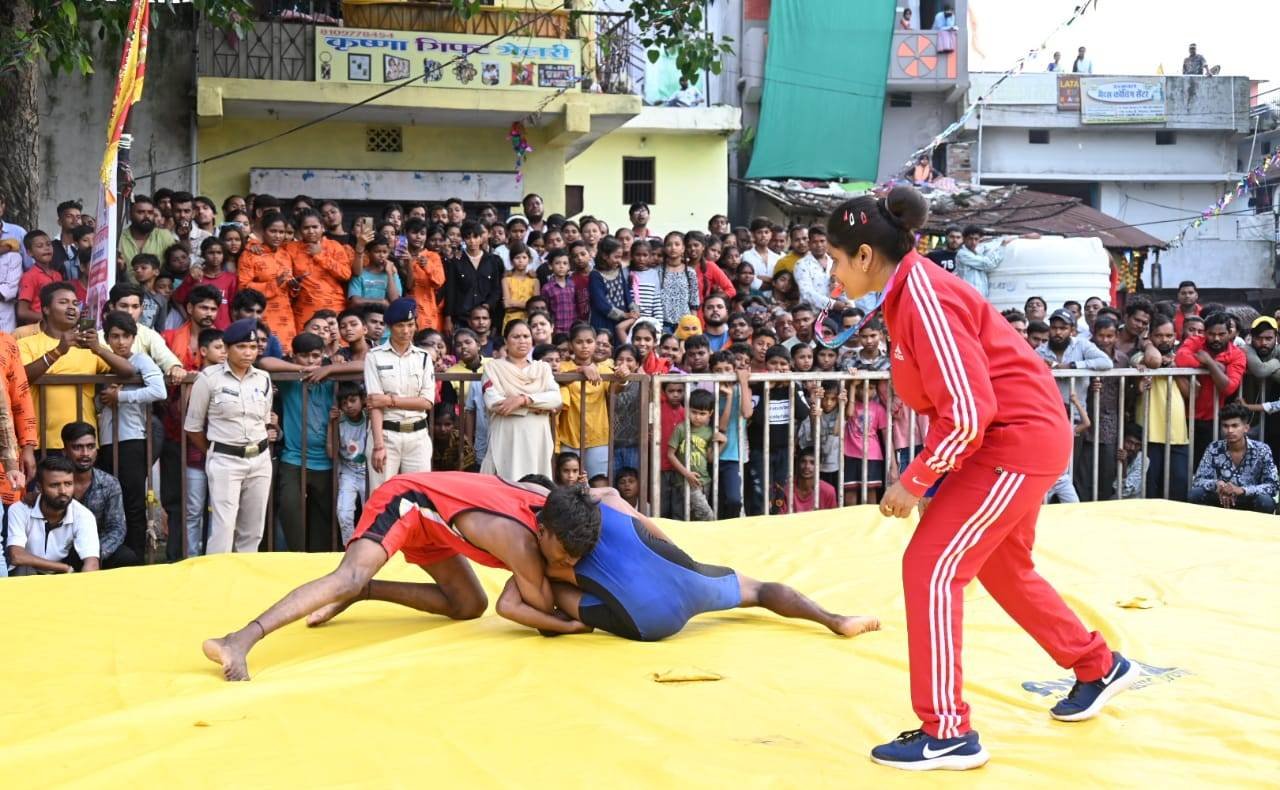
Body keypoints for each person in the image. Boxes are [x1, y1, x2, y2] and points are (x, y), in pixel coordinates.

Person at [826, 186, 1134, 771]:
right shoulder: (909, 292)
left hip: (1011, 442)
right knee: (1003, 567)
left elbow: (967, 411)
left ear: (865, 256)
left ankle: (946, 731)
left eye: (837, 260)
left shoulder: (922, 296)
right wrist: (933, 475)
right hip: (1016, 439)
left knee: (930, 567)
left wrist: (917, 479)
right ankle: (1098, 665)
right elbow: (955, 405)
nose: (834, 274)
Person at [201, 472, 596, 681]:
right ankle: (238, 639)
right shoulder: (521, 542)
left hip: (437, 524)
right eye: (561, 556)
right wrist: (570, 625)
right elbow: (543, 608)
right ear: (543, 530)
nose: (564, 564)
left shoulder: (552, 504)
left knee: (468, 605)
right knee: (347, 574)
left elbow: (603, 498)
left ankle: (365, 591)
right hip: (408, 501)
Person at [532, 483, 879, 641]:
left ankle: (573, 620)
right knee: (759, 590)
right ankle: (835, 619)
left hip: (648, 623)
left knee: (555, 584)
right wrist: (682, 563)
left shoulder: (554, 561)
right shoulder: (609, 499)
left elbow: (538, 594)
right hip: (687, 578)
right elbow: (653, 531)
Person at [183, 319, 275, 554]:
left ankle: (245, 584)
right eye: (242, 347)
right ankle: (217, 584)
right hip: (225, 460)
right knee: (223, 528)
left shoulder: (263, 378)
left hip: (260, 458)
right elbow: (193, 427)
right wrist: (215, 451)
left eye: (253, 348)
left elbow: (264, 421)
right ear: (227, 348)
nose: (248, 353)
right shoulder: (209, 378)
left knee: (253, 529)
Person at [19, 282, 135, 450]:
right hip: (43, 443)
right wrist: (59, 350)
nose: (72, 307)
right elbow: (21, 378)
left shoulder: (89, 347)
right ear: (46, 309)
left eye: (75, 303)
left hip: (84, 444)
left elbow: (128, 371)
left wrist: (98, 349)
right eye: (63, 302)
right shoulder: (26, 344)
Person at [97, 310, 166, 559]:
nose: (121, 342)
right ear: (107, 338)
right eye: (114, 336)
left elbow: (160, 390)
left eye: (126, 336)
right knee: (112, 504)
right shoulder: (105, 363)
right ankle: (118, 556)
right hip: (106, 441)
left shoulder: (141, 360)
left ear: (134, 338)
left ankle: (136, 557)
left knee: (133, 504)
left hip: (132, 440)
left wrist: (121, 397)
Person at [364, 297, 435, 491]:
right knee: (383, 498)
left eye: (410, 325)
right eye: (400, 325)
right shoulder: (374, 357)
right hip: (386, 434)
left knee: (420, 497)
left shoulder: (424, 357)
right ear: (390, 327)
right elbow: (374, 404)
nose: (406, 331)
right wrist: (378, 445)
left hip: (418, 435)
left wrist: (389, 400)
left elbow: (427, 402)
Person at [479, 320, 563, 481]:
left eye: (526, 336)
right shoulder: (493, 368)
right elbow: (495, 402)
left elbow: (555, 398)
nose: (522, 340)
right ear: (506, 341)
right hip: (507, 436)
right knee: (506, 485)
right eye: (516, 336)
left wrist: (523, 400)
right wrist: (538, 406)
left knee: (536, 486)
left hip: (537, 437)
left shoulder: (542, 368)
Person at [5, 455, 99, 575]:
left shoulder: (83, 515)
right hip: (28, 573)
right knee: (23, 568)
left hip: (62, 575)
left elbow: (92, 563)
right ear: (40, 487)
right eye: (54, 485)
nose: (63, 491)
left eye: (68, 484)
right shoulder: (20, 510)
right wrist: (63, 568)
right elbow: (17, 556)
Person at [61, 421, 138, 568]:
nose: (85, 453)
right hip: (62, 549)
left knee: (127, 557)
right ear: (65, 450)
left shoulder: (109, 483)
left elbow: (116, 528)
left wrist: (93, 554)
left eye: (90, 447)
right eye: (78, 447)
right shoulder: (55, 482)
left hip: (98, 548)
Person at [1175, 312, 1245, 464]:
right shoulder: (1196, 341)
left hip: (1212, 420)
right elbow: (1180, 358)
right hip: (1183, 416)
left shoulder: (1237, 354)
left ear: (1230, 333)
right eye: (1211, 334)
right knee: (1182, 468)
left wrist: (1210, 363)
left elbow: (1229, 388)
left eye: (1221, 334)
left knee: (1209, 465)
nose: (1216, 338)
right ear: (1205, 332)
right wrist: (1214, 367)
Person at [1190, 403, 1277, 512]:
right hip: (1221, 498)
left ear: (1246, 428)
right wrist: (1217, 484)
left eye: (1235, 426)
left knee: (1265, 502)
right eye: (1225, 426)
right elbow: (1198, 481)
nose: (1230, 430)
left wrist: (1242, 490)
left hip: (1248, 500)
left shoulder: (1262, 450)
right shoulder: (1214, 448)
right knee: (1195, 494)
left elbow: (1272, 486)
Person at [237, 212, 298, 352]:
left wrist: (294, 287)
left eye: (281, 232)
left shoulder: (285, 255)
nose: (278, 236)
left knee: (286, 356)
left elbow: (288, 289)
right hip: (261, 314)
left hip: (285, 315)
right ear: (263, 231)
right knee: (262, 354)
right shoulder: (250, 254)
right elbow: (244, 288)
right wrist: (274, 283)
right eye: (273, 231)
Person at [329, 380, 368, 544]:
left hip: (368, 472)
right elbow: (332, 452)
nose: (349, 406)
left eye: (353, 400)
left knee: (371, 512)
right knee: (344, 513)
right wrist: (331, 424)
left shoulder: (370, 418)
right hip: (349, 472)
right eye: (344, 403)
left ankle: (370, 547)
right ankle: (349, 546)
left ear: (362, 399)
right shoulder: (340, 422)